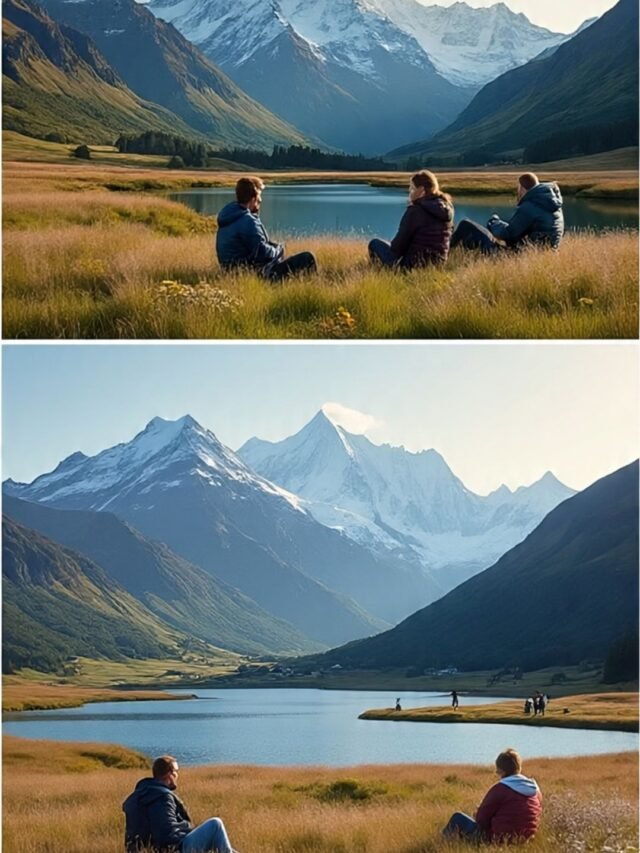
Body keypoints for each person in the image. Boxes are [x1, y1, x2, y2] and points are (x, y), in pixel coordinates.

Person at [123, 755, 238, 853]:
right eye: (176, 771)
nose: (177, 775)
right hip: (174, 849)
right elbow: (165, 834)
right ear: (169, 774)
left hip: (150, 849)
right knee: (215, 824)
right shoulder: (162, 797)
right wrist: (189, 829)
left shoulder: (142, 795)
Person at [216, 176, 317, 282]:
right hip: (256, 275)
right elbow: (261, 253)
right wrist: (278, 250)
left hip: (233, 274)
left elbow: (253, 248)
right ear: (253, 198)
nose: (261, 200)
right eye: (259, 196)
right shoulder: (247, 221)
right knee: (306, 258)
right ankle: (312, 288)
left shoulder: (228, 218)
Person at [442, 748, 542, 844]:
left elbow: (481, 820)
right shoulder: (535, 790)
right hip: (525, 839)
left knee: (458, 817)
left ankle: (442, 845)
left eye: (497, 770)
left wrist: (478, 814)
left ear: (501, 771)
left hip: (497, 840)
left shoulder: (501, 788)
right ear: (518, 767)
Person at [450, 172, 564, 254]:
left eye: (518, 189)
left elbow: (507, 234)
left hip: (520, 257)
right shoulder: (553, 206)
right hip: (543, 255)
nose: (517, 193)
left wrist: (493, 221)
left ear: (523, 188)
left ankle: (444, 254)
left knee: (466, 225)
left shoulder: (529, 207)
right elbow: (516, 232)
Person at [368, 170, 454, 269]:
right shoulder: (447, 208)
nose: (409, 191)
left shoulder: (415, 211)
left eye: (412, 188)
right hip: (439, 264)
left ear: (421, 190)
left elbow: (398, 248)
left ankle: (383, 273)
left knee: (375, 244)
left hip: (413, 265)